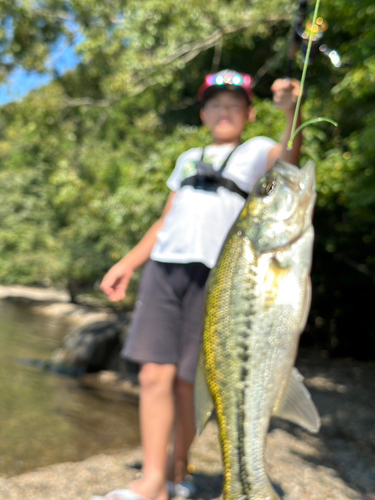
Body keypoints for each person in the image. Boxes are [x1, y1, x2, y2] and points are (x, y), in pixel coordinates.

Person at [96, 69, 301, 500]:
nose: (223, 111)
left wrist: (290, 112)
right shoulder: (188, 157)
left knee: (190, 381)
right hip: (164, 269)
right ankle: (152, 481)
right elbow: (167, 217)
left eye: (233, 105)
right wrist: (128, 263)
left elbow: (287, 163)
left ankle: (177, 470)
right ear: (203, 112)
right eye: (215, 104)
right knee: (154, 374)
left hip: (219, 280)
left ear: (248, 114)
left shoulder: (256, 150)